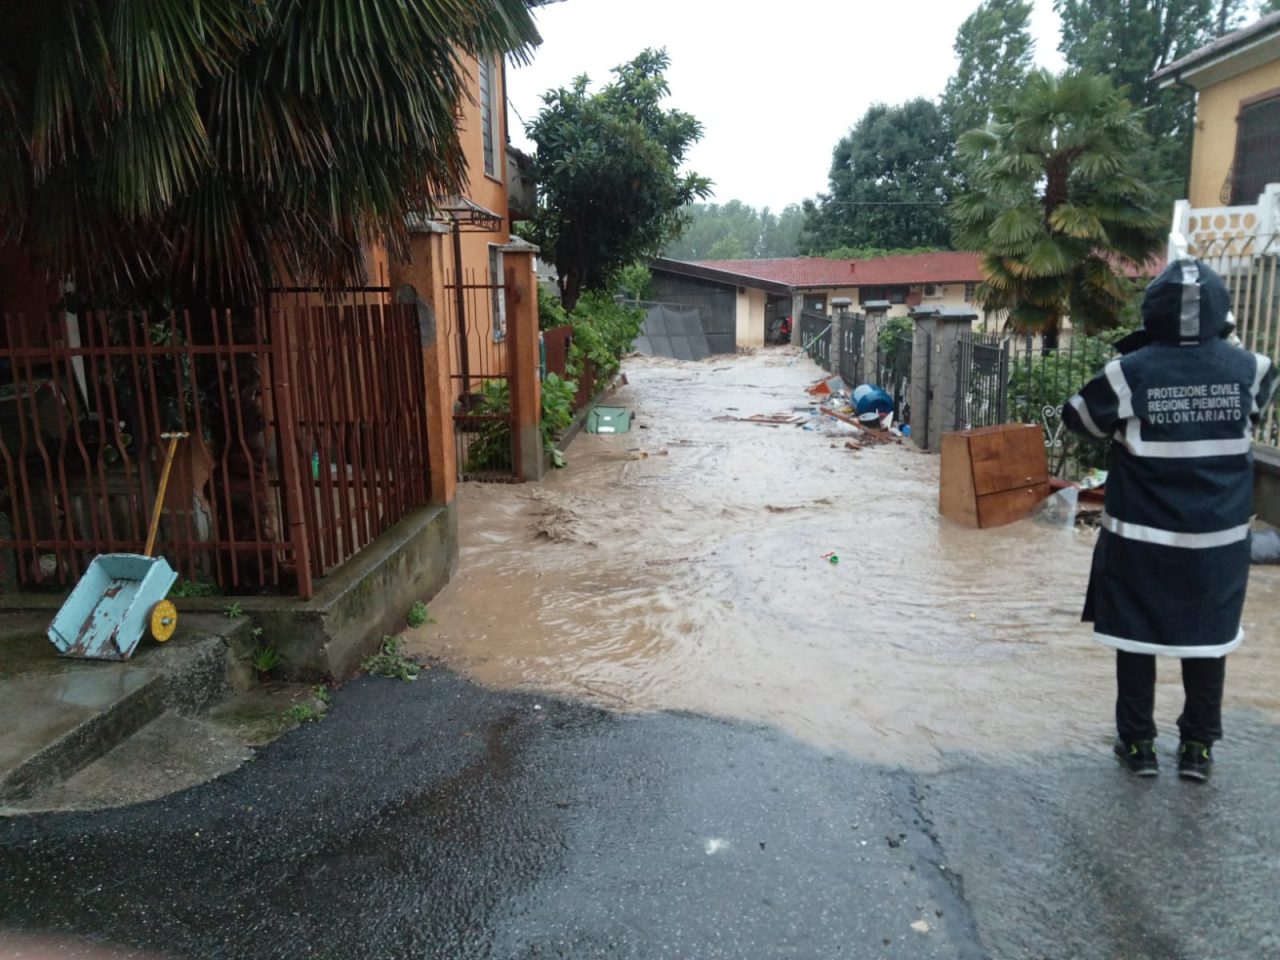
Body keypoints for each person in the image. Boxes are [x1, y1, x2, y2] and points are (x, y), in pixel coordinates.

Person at [1063, 258, 1278, 782]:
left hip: (1141, 544)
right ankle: (1198, 749)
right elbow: (1254, 409)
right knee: (1208, 642)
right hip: (1219, 546)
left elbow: (1078, 418)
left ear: (1153, 313)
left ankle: (1138, 746)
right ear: (1222, 313)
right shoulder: (1255, 369)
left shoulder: (1130, 372)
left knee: (1137, 641)